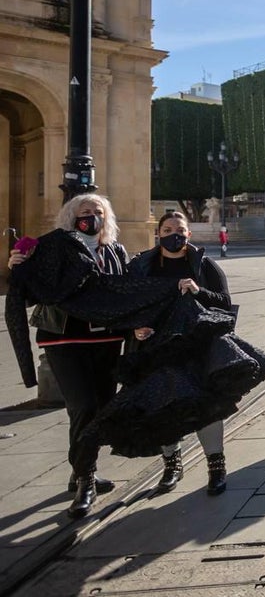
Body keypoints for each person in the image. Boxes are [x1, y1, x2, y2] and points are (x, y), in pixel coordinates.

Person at [5, 194, 131, 518]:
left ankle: (81, 468)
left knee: (100, 409)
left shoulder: (115, 251)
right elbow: (31, 291)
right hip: (64, 338)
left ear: (107, 218)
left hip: (107, 339)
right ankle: (85, 481)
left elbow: (127, 290)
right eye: (84, 212)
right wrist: (19, 267)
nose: (91, 217)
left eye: (97, 212)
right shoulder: (52, 248)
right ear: (70, 217)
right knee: (83, 405)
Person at [128, 211, 232, 495]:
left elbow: (225, 303)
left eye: (180, 229)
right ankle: (172, 462)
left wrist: (198, 291)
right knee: (162, 406)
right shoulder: (142, 267)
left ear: (189, 234)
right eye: (168, 228)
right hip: (157, 349)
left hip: (197, 346)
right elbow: (128, 306)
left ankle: (216, 464)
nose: (175, 233)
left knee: (206, 405)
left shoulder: (204, 265)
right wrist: (136, 329)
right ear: (158, 233)